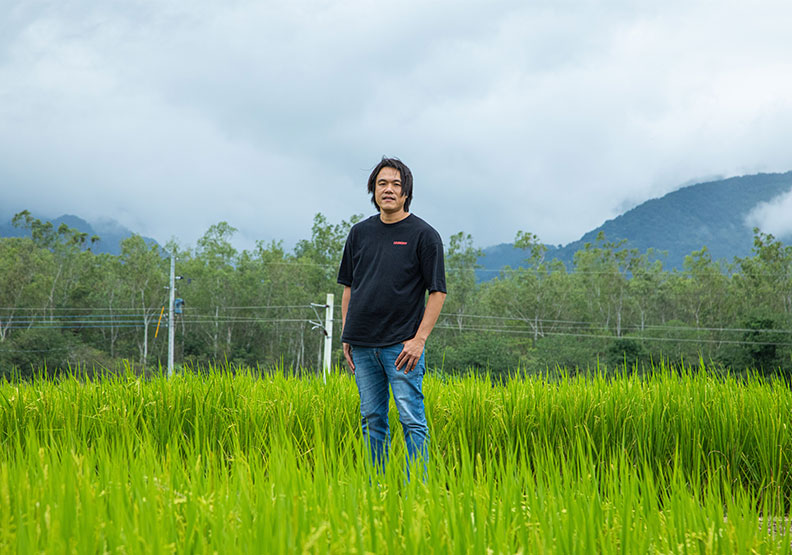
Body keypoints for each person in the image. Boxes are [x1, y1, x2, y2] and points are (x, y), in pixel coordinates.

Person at [337, 157, 447, 471]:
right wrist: (347, 334)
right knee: (372, 420)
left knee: (411, 420)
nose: (388, 190)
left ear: (406, 193)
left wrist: (419, 340)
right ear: (373, 189)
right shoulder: (359, 233)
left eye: (396, 184)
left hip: (402, 347)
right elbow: (349, 286)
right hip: (362, 344)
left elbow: (437, 292)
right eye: (382, 183)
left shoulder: (424, 235)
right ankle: (377, 492)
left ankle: (418, 493)